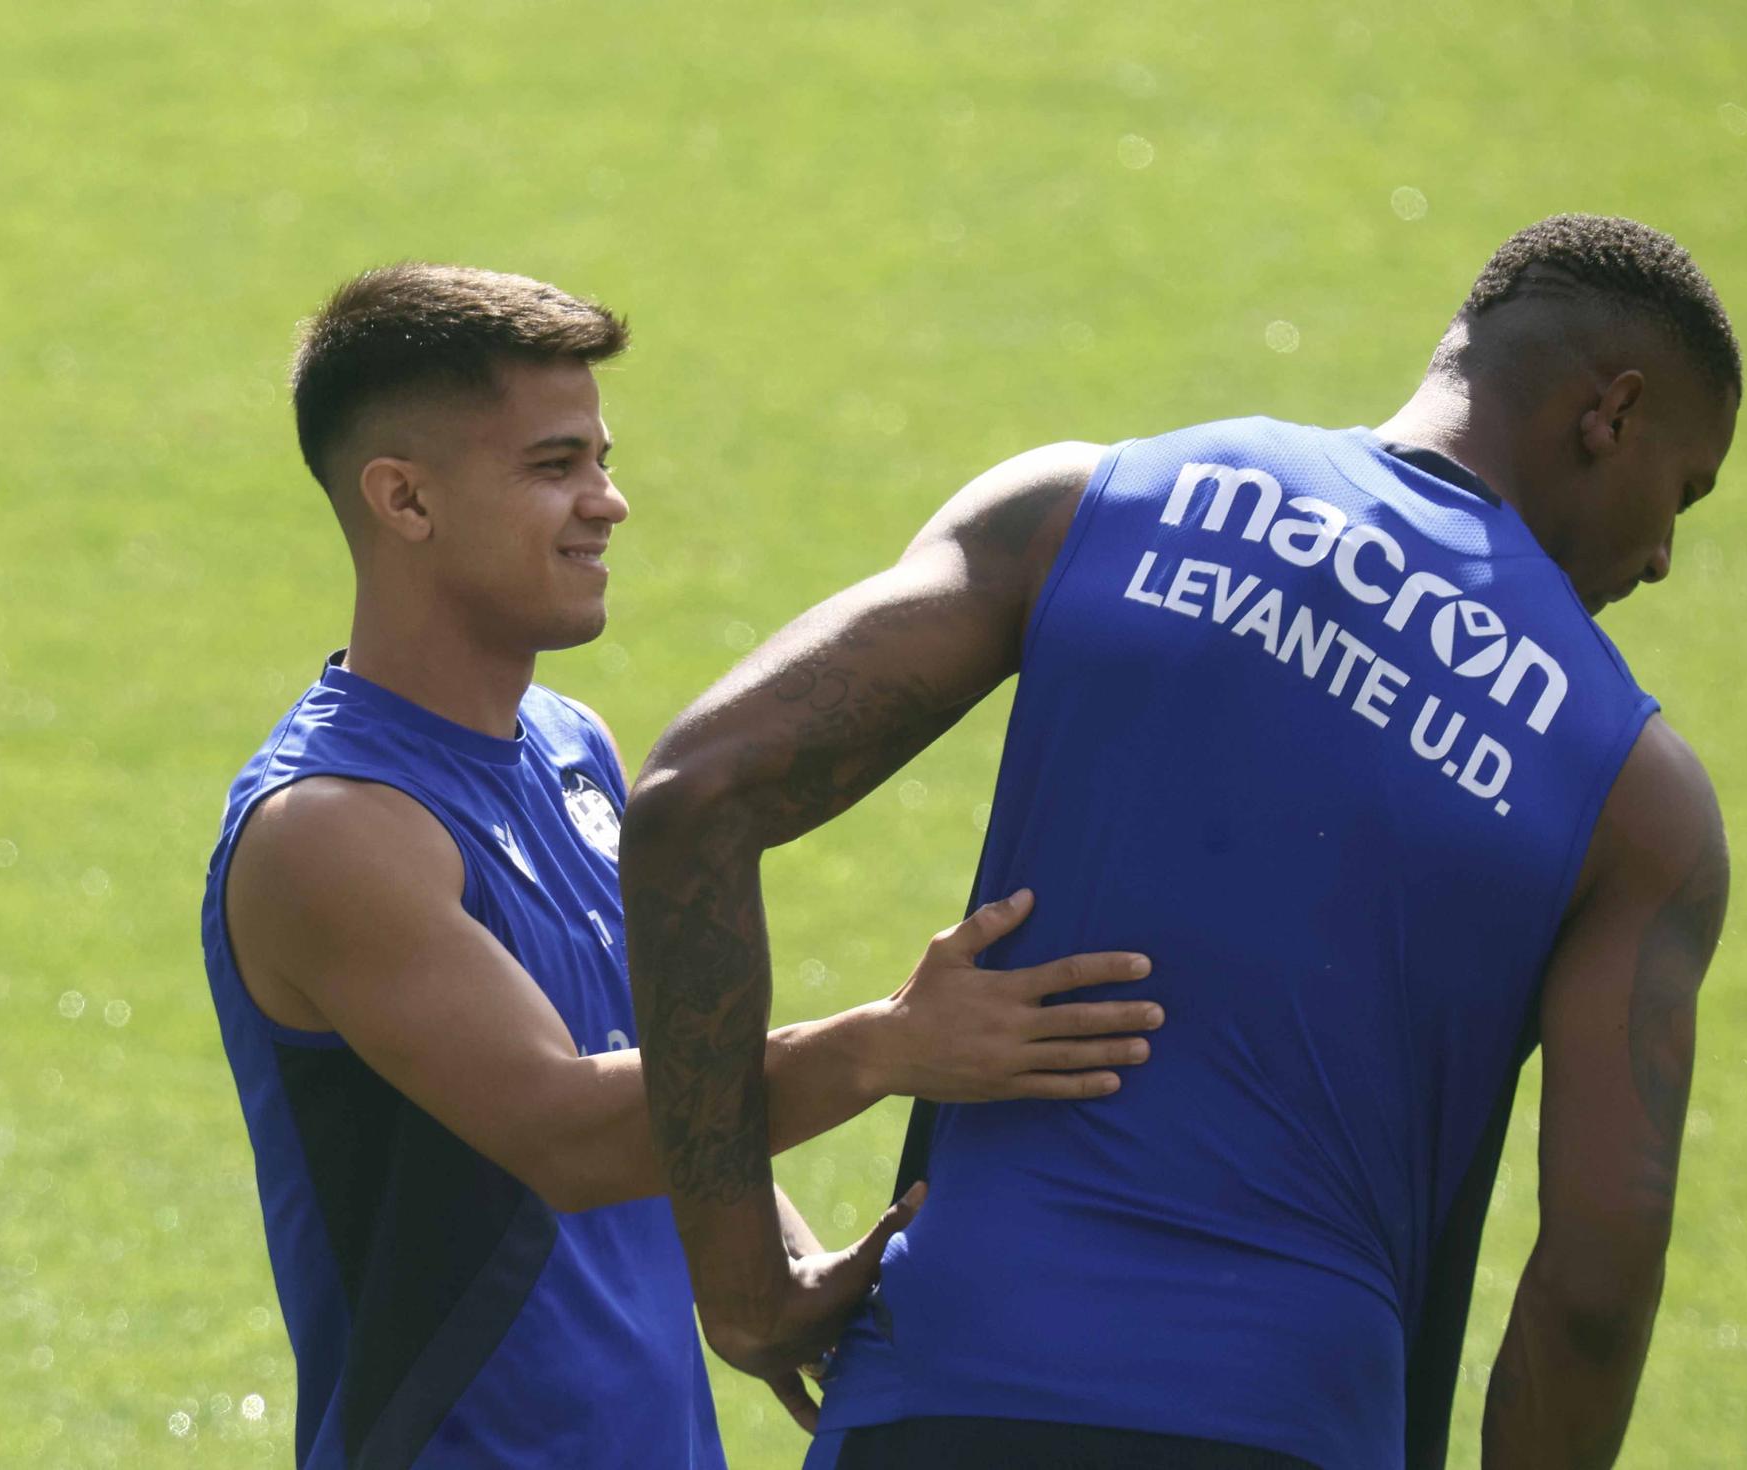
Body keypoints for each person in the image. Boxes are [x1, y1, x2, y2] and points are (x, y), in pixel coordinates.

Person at [620, 214, 1740, 1469]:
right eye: (1680, 493)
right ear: (1611, 412)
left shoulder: (1083, 503)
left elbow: (692, 796)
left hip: (943, 1390)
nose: (1656, 556)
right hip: (1285, 1425)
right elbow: (1592, 1291)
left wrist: (742, 1288)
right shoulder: (1633, 795)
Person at [198, 263, 1165, 1469]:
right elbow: (566, 1129)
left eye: (600, 459)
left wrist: (781, 1269)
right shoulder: (334, 831)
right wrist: (886, 1044)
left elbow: (653, 1061)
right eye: (553, 467)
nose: (607, 503)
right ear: (403, 501)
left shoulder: (570, 749)